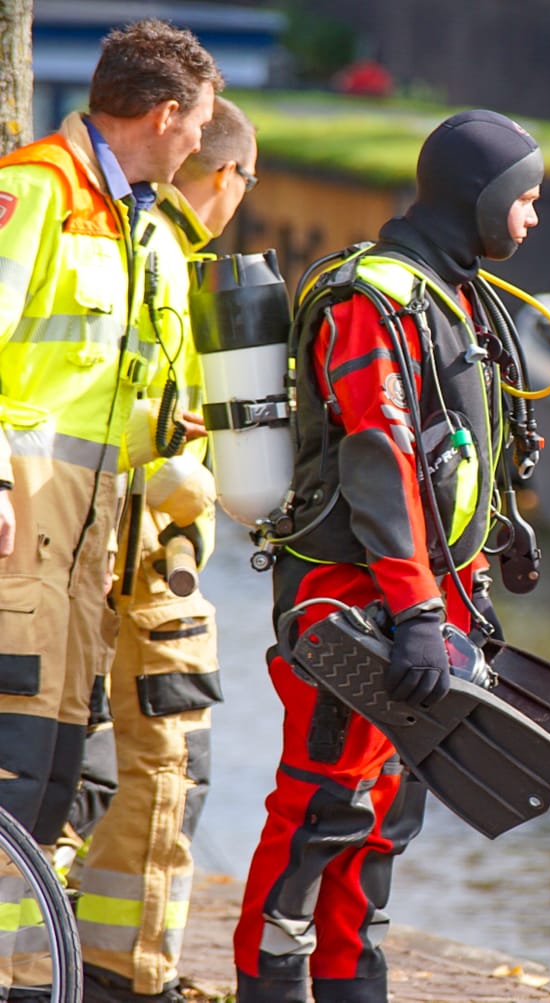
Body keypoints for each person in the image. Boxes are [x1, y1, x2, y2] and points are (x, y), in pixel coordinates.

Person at [233, 109, 543, 1003]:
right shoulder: (373, 300)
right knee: (320, 807)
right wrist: (414, 611)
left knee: (384, 818)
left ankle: (352, 982)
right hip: (353, 603)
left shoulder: (454, 292)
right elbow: (382, 457)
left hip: (427, 607)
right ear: (477, 196)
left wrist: (492, 549)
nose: (532, 217)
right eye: (524, 198)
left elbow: (458, 451)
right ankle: (267, 984)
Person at [0, 15, 220, 851]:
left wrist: (160, 431)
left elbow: (86, 385)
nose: (198, 144)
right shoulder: (39, 192)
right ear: (164, 115)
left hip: (80, 547)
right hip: (22, 528)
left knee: (49, 778)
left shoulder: (136, 222)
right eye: (198, 125)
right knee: (12, 767)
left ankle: (27, 941)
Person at [72, 95, 258, 1003]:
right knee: (167, 770)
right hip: (146, 566)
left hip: (96, 556)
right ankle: (116, 974)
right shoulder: (168, 261)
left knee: (82, 770)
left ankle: (62, 963)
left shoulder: (139, 243)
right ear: (226, 174)